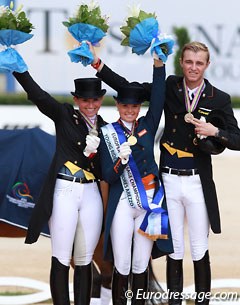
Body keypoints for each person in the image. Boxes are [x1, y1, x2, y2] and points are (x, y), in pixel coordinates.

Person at [90, 41, 240, 305]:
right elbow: (129, 89)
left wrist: (215, 132)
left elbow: (238, 139)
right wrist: (98, 66)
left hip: (197, 180)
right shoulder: (171, 86)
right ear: (181, 63)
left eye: (199, 63)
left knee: (198, 248)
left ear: (207, 65)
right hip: (168, 179)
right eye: (189, 62)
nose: (193, 68)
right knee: (176, 249)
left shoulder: (219, 98)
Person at [12, 65, 108, 305]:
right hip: (65, 191)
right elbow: (39, 96)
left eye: (95, 100)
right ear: (76, 100)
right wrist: (19, 71)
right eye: (85, 100)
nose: (90, 105)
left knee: (85, 259)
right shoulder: (65, 114)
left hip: (91, 194)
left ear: (101, 99)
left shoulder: (106, 128)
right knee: (62, 258)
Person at [94, 56, 173, 305]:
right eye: (125, 106)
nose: (130, 110)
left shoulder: (148, 125)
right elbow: (108, 175)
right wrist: (121, 162)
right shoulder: (107, 133)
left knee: (141, 264)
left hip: (149, 203)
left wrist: (159, 66)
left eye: (135, 106)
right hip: (122, 205)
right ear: (117, 105)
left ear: (139, 107)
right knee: (122, 263)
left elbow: (159, 97)